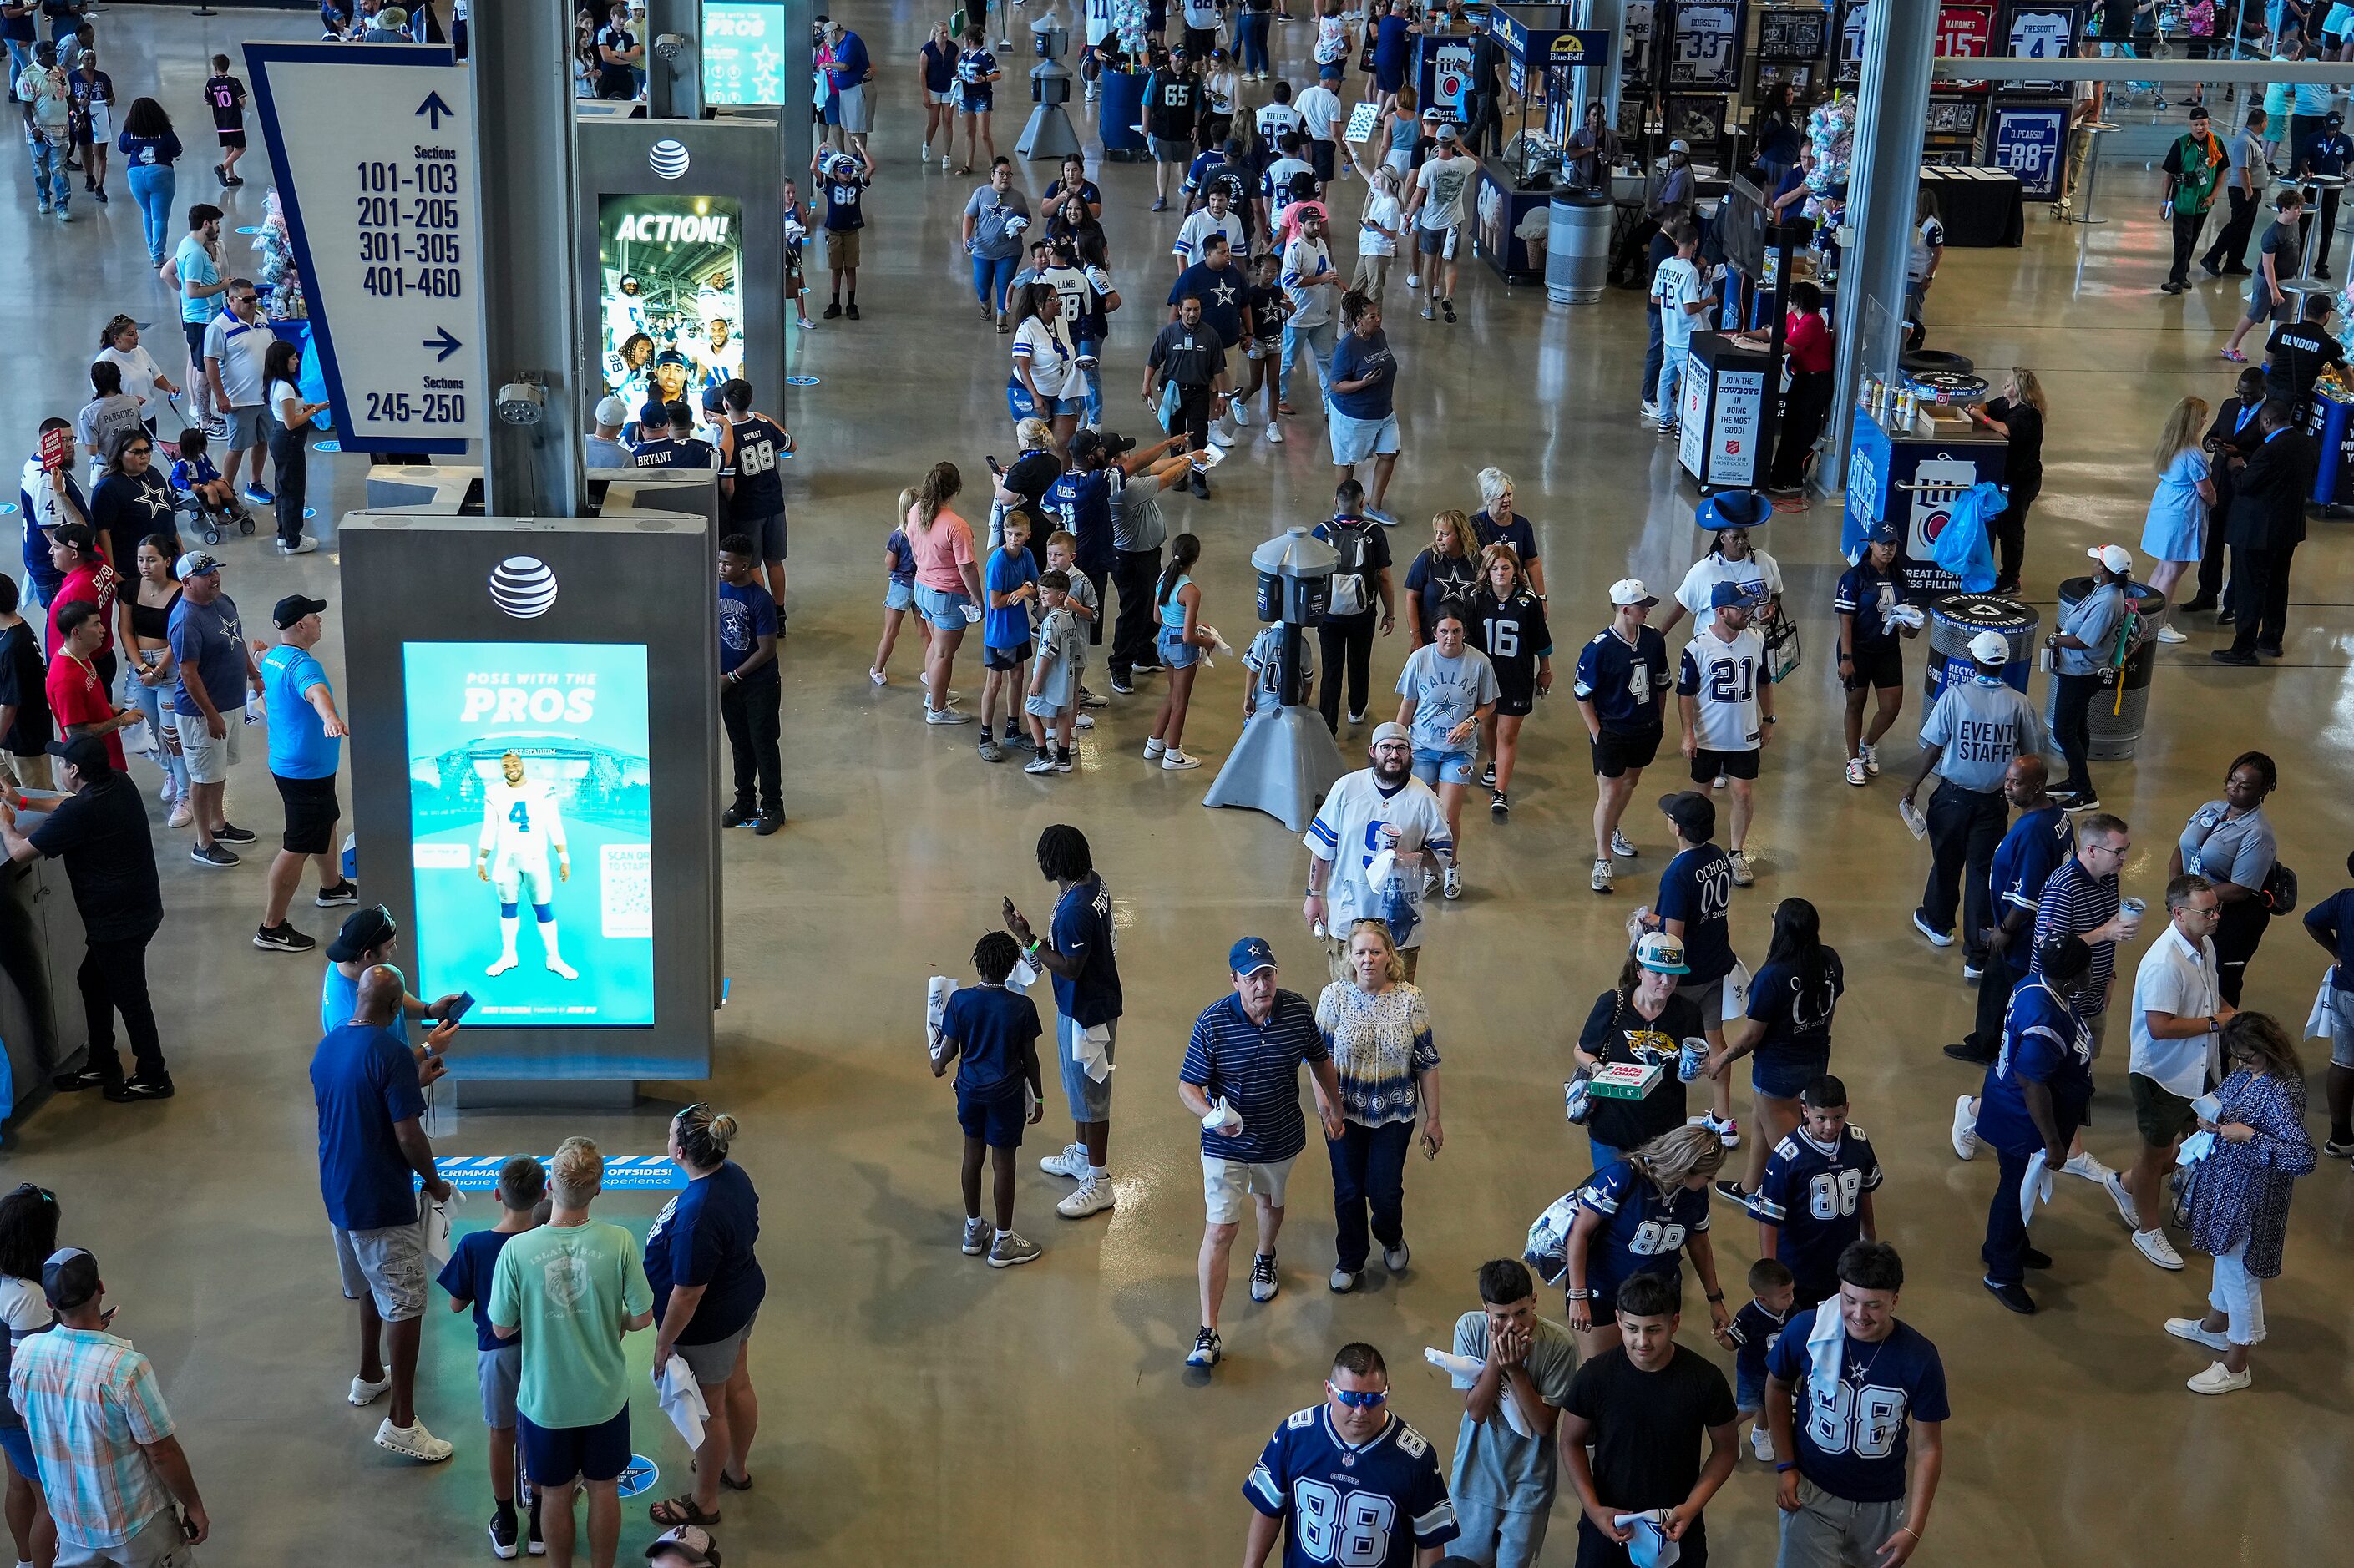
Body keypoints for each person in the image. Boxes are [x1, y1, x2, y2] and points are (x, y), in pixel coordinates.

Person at [312, 964, 460, 1460]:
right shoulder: (392, 1053)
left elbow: (358, 1105)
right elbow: (407, 1135)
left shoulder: (328, 1046)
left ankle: (369, 1374)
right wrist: (436, 1183)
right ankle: (402, 1422)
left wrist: (407, 1080)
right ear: (397, 1008)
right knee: (406, 1301)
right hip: (380, 1199)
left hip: (339, 1192)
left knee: (369, 1290)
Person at [1178, 936, 1344, 1370]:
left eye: (1267, 975)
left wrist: (1335, 1107)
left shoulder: (1297, 1013)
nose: (1261, 986)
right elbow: (1188, 1087)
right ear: (1234, 980)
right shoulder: (1212, 1022)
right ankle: (1208, 1333)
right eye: (1251, 978)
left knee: (1270, 1202)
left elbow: (1320, 1060)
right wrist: (1212, 1117)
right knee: (1219, 1231)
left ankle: (1265, 1256)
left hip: (1279, 1137)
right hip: (1225, 1143)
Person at [489, 1137, 654, 1568]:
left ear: (548, 1187)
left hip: (546, 1402)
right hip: (604, 1397)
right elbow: (642, 1317)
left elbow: (501, 1325)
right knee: (604, 1489)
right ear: (598, 1189)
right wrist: (610, 1319)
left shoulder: (516, 1250)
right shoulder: (619, 1242)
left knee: (557, 1494)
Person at [9, 1247, 210, 1565]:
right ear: (100, 1289)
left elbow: (27, 1421)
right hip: (136, 1524)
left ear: (50, 1304)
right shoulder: (126, 1368)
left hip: (71, 1523)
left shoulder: (27, 1354)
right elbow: (161, 1452)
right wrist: (194, 1505)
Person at [0, 734, 168, 1100]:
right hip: (139, 909)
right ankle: (102, 1061)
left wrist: (6, 823)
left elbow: (18, 853)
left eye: (62, 763)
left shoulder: (83, 811)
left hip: (118, 922)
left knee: (131, 997)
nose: (60, 767)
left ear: (74, 770)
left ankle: (154, 1075)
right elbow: (67, 802)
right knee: (92, 981)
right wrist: (21, 799)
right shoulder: (119, 783)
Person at [1764, 1241, 1946, 1568]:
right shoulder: (1807, 1329)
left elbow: (1928, 1449)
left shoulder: (1920, 1359)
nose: (1859, 1315)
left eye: (1873, 1305)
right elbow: (1777, 1386)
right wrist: (1786, 1466)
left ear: (1895, 1300)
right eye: (1849, 1300)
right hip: (1812, 1490)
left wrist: (1913, 1528)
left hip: (1881, 1502)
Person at [2168, 1011, 2316, 1393]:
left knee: (2240, 1274)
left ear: (2267, 1050)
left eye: (2247, 1057)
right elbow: (2227, 1097)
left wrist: (2249, 1136)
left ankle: (2237, 1365)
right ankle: (2216, 1325)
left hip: (2253, 1196)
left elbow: (2302, 1157)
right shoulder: (2248, 1073)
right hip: (2227, 1185)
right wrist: (2211, 1122)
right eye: (2236, 1057)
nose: (2240, 1064)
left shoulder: (2280, 1092)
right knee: (2224, 1258)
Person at [1557, 1269, 1739, 1568]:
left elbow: (1727, 1448)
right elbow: (1570, 1442)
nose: (1642, 1341)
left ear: (1674, 1323)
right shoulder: (1594, 1376)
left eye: (1654, 1329)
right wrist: (1593, 1509)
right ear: (1617, 1320)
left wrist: (1691, 1508)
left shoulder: (1705, 1380)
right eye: (1631, 1328)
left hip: (1677, 1525)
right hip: (1608, 1523)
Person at [644, 1106, 767, 1532]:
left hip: (709, 1325)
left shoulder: (698, 1212)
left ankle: (705, 1501)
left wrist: (662, 1343)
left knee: (710, 1411)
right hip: (743, 1298)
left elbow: (688, 1292)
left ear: (679, 1151)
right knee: (738, 1384)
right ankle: (736, 1469)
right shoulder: (733, 1174)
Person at [1901, 628, 2046, 972]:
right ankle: (1977, 956)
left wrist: (1913, 783)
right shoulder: (2019, 703)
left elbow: (1934, 745)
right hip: (1993, 802)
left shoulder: (1954, 696)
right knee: (1983, 873)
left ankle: (1937, 923)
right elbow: (2030, 756)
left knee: (1947, 861)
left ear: (1975, 660)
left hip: (1952, 798)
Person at [1973, 933, 2104, 1313]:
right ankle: (2001, 1272)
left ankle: (2007, 1244)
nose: (2092, 973)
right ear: (2071, 978)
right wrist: (2054, 1142)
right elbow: (2032, 1084)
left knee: (2015, 1188)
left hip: (2020, 1110)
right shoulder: (2044, 1019)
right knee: (2015, 1191)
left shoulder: (2034, 983)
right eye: (2087, 968)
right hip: (2022, 1120)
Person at [1245, 1342, 1460, 1566]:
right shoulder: (1295, 1436)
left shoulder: (1416, 1458)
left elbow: (1431, 1539)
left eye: (1372, 1399)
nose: (1360, 1411)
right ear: (1329, 1390)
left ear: (1387, 1393)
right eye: (1350, 1398)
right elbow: (1268, 1507)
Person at [1004, 823, 1125, 1222]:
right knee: (1078, 1090)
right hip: (1078, 1006)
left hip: (1089, 1016)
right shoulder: (1090, 883)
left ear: (1054, 863)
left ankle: (1099, 1180)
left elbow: (1070, 968)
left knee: (1093, 1096)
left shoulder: (1075, 910)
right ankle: (1082, 1154)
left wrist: (1030, 939)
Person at [1315, 918, 1441, 1293]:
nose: (1368, 959)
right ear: (1349, 958)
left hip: (1395, 1114)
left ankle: (1390, 1236)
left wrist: (1433, 1119)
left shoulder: (1410, 998)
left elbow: (1427, 1062)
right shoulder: (1333, 997)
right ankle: (1350, 1258)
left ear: (1390, 956)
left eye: (1376, 951)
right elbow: (1317, 1062)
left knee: (1384, 1190)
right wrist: (1328, 1112)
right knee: (1349, 1189)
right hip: (1345, 1113)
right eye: (1360, 952)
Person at [1536, 1125, 1731, 1360]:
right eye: (1708, 1176)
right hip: (1603, 1292)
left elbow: (1699, 1244)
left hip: (1658, 1296)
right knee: (1603, 1368)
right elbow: (1579, 1233)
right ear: (1685, 1168)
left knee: (1647, 1368)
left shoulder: (1695, 1193)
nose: (1712, 1180)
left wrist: (1715, 1300)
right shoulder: (1623, 1177)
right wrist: (1578, 1296)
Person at [437, 1154, 547, 1560]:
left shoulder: (475, 1245)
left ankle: (506, 1524)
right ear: (544, 1195)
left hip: (497, 1356)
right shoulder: (547, 1242)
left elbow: (454, 1304)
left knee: (501, 1436)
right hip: (543, 1356)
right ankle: (539, 1523)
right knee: (539, 1433)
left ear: (497, 1194)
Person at [2123, 874, 2229, 1275]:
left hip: (2201, 1067)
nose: (2216, 916)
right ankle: (2147, 1229)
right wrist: (2218, 1023)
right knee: (2156, 1155)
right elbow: (2160, 1028)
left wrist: (2230, 1016)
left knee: (2197, 1143)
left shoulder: (2204, 945)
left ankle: (2126, 1184)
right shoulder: (2165, 963)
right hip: (2163, 1076)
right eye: (2207, 911)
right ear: (2179, 913)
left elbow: (2209, 991)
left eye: (2217, 908)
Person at [1443, 1260, 1577, 1568]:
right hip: (1474, 1480)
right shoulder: (1469, 1328)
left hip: (1528, 1487)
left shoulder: (1559, 1345)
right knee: (1465, 1563)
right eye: (1501, 1317)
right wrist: (1495, 1358)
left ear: (1534, 1300)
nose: (1513, 1325)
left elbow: (1544, 1424)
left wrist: (1516, 1370)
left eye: (1521, 1313)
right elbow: (1476, 1412)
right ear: (1486, 1310)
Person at [1713, 900, 1846, 1205]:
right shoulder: (1829, 960)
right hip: (1815, 1057)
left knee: (1789, 1151)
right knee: (1761, 1117)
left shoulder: (1772, 976)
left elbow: (1751, 1037)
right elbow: (1831, 1010)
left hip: (1777, 1070)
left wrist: (1720, 1059)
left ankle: (1811, 1204)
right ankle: (1750, 1187)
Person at [934, 929, 1049, 1270]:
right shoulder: (1022, 1007)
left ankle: (972, 1230)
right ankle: (1004, 1241)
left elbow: (950, 1051)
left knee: (972, 1155)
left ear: (978, 963)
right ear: (1012, 966)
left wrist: (938, 1064)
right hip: (1006, 1095)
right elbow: (1030, 1058)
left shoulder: (960, 1001)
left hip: (969, 1092)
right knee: (1004, 1163)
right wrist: (1039, 1098)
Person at [1304, 723, 1452, 984]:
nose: (1394, 755)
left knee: (1397, 997)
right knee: (1345, 992)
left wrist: (1413, 858)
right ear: (1373, 751)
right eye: (1386, 747)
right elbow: (1322, 848)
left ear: (1410, 753)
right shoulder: (1346, 789)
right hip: (1349, 908)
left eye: (1401, 748)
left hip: (1399, 915)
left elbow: (1443, 854)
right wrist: (1313, 895)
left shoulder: (1425, 799)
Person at [253, 594, 352, 953]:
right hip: (304, 773)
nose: (320, 621)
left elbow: (261, 658)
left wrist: (257, 652)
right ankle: (272, 927)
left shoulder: (275, 657)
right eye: (315, 616)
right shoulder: (302, 667)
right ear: (300, 626)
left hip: (296, 765)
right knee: (296, 846)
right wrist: (330, 718)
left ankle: (332, 887)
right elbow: (317, 694)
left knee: (327, 820)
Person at [1651, 790, 1744, 1146]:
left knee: (1663, 1043)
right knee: (1715, 1040)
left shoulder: (1677, 874)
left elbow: (1673, 939)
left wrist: (1661, 980)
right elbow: (1699, 915)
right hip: (1716, 965)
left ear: (1677, 828)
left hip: (1687, 975)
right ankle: (1723, 1119)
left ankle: (1664, 1118)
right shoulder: (1718, 857)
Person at [1746, 1074, 1881, 1315]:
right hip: (1800, 1265)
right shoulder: (1788, 1155)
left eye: (1838, 1117)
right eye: (1821, 1118)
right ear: (1805, 1111)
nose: (1830, 1127)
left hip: (1844, 1259)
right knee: (1800, 1321)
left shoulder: (1858, 1142)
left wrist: (1869, 1241)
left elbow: (1865, 1192)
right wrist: (1772, 1272)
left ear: (1847, 1109)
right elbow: (1768, 1217)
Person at [1572, 931, 1704, 1172]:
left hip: (1664, 1135)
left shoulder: (1688, 1013)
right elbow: (1581, 1050)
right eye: (1656, 973)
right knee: (1611, 1200)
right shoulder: (1613, 1004)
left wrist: (1700, 1068)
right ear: (1639, 971)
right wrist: (1597, 1068)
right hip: (1612, 1129)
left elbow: (1690, 1066)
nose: (1666, 981)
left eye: (1673, 974)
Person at [1392, 600, 1496, 897]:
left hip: (1458, 752)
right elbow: (1408, 703)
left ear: (1464, 632)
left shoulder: (1479, 663)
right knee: (1423, 814)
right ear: (1434, 633)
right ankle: (1428, 869)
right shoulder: (1419, 661)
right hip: (1422, 747)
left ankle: (1450, 865)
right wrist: (1398, 742)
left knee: (1448, 816)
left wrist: (1472, 722)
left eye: (1456, 631)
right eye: (1444, 631)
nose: (1451, 637)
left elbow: (1489, 703)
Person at [1575, 579, 1673, 894]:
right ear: (1626, 610)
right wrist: (1598, 734)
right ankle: (1603, 858)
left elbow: (1661, 683)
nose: (1648, 610)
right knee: (1609, 791)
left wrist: (1658, 720)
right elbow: (1582, 695)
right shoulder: (1598, 649)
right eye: (1643, 606)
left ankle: (1612, 829)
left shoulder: (1654, 640)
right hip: (1612, 732)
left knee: (1630, 783)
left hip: (1643, 729)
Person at [166, 550, 261, 869]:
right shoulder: (185, 620)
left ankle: (219, 823)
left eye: (214, 571)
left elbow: (238, 640)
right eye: (205, 574)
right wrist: (210, 714)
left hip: (230, 703)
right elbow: (188, 675)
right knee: (202, 777)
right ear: (186, 581)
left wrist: (254, 675)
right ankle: (203, 842)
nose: (214, 577)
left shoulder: (223, 601)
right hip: (201, 714)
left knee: (218, 770)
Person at [1675, 584, 1773, 887]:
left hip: (1743, 737)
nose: (1747, 613)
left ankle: (1735, 853)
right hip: (1707, 739)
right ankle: (1690, 850)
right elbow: (1686, 695)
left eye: (1747, 608)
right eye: (1740, 608)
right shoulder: (1697, 649)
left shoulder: (1757, 640)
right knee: (1699, 799)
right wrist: (1688, 733)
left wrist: (1768, 719)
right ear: (1720, 612)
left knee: (1743, 794)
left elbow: (1764, 683)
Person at [2214, 397, 2317, 664]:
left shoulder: (2268, 451)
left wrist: (2236, 466)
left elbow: (2246, 484)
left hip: (2257, 534)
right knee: (2277, 585)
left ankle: (2244, 648)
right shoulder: (2308, 445)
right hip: (2288, 530)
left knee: (2251, 589)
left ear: (2268, 421)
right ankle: (2272, 639)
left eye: (2261, 423)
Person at [2043, 544, 2134, 810]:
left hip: (2081, 672)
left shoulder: (2108, 601)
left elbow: (2085, 641)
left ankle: (2085, 791)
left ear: (2104, 570)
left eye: (2097, 562)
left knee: (2063, 730)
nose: (2093, 564)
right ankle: (2075, 780)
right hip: (2079, 670)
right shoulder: (2105, 590)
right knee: (2077, 726)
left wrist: (2055, 639)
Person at [1832, 524, 1919, 787]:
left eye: (1892, 544)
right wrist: (1847, 659)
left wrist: (1908, 628)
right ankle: (1853, 759)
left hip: (1887, 650)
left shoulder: (1899, 577)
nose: (1888, 549)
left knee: (1891, 707)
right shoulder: (1854, 577)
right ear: (1871, 544)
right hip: (1857, 650)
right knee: (1856, 704)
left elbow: (1906, 622)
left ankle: (1868, 742)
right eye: (1883, 543)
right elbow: (1845, 621)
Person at [1466, 545, 1549, 817]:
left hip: (1517, 677)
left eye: (1505, 567)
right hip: (1486, 678)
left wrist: (1545, 670)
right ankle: (1493, 761)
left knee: (1507, 734)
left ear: (1515, 570)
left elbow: (1541, 642)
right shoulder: (1478, 599)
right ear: (1487, 572)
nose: (1500, 573)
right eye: (1494, 568)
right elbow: (1470, 643)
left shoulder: (1528, 602)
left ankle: (1500, 792)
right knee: (1488, 725)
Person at [1312, 481, 1395, 730]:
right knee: (1360, 664)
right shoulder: (1374, 532)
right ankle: (1357, 710)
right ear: (1362, 502)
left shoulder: (1321, 531)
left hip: (1328, 616)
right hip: (1363, 615)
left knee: (1331, 669)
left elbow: (1311, 576)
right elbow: (1385, 577)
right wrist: (1390, 615)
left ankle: (1328, 725)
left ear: (1336, 501)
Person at [906, 463, 982, 726]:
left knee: (935, 647)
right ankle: (938, 710)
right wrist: (977, 598)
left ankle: (933, 695)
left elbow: (913, 545)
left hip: (923, 589)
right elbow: (967, 568)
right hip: (949, 596)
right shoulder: (956, 526)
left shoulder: (916, 511)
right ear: (955, 489)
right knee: (944, 654)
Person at [716, 535, 782, 834]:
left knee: (763, 744)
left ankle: (772, 807)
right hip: (727, 686)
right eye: (720, 561)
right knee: (740, 746)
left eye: (727, 563)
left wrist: (732, 677)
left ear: (745, 565)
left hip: (758, 686)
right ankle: (744, 800)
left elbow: (767, 649)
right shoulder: (715, 591)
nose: (721, 567)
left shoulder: (761, 600)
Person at [1656, 490, 1783, 642]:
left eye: (1745, 536)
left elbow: (1775, 592)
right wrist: (1656, 639)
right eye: (1735, 538)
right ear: (1722, 538)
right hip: (1712, 649)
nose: (1742, 542)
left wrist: (1773, 606)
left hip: (1753, 646)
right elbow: (1680, 607)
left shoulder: (1765, 562)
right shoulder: (1703, 571)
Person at [712, 378, 792, 614]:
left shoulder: (730, 437)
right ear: (751, 401)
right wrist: (766, 419)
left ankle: (761, 614)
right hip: (775, 504)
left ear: (725, 406)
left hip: (747, 510)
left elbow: (728, 485)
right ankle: (779, 613)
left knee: (753, 565)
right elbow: (790, 444)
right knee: (775, 561)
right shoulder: (765, 427)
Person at [2142, 397, 2215, 641]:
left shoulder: (2169, 445)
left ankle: (2145, 617)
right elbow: (2205, 490)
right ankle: (2158, 624)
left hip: (2165, 508)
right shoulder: (2193, 454)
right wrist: (2214, 502)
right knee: (2173, 571)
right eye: (2203, 418)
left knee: (2163, 567)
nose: (2205, 421)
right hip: (2182, 515)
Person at [1142, 294, 1233, 493]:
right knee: (1176, 437)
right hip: (1174, 393)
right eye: (1188, 310)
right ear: (1180, 311)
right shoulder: (1168, 333)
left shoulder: (1210, 336)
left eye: (1196, 310)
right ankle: (1178, 476)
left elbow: (1218, 369)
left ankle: (1199, 479)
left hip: (1199, 393)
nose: (1192, 314)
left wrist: (1222, 396)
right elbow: (1153, 361)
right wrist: (1146, 385)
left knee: (1199, 436)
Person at [1967, 370, 2047, 594]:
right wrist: (1976, 410)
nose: (2004, 386)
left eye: (2010, 384)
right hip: (2006, 479)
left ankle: (2011, 579)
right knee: (2001, 526)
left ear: (2021, 390)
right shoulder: (2006, 403)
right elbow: (1989, 408)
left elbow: (2005, 429)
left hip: (2022, 482)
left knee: (2012, 529)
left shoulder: (2028, 415)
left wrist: (1981, 419)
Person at [1327, 289, 1401, 521]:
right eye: (1372, 316)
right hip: (1354, 416)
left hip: (1383, 411)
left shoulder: (1379, 335)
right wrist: (1363, 383)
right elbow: (1336, 385)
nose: (1378, 319)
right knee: (1348, 464)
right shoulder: (1347, 347)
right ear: (1359, 320)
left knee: (1390, 453)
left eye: (1378, 314)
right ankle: (1343, 511)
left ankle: (1374, 507)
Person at [1145, 533, 1215, 770]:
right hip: (1181, 646)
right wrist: (1207, 643)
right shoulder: (1191, 591)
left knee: (1173, 693)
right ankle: (1173, 754)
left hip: (1164, 640)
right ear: (1196, 558)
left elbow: (1157, 617)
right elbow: (1188, 636)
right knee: (1181, 701)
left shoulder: (1163, 578)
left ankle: (1155, 743)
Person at [1718, 1256, 1795, 1464]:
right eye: (1785, 1296)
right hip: (1752, 1374)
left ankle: (1760, 1432)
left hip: (1777, 1376)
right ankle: (1728, 1435)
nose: (1791, 1299)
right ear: (1763, 1299)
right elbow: (1732, 1344)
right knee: (1747, 1409)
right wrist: (1722, 1338)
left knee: (1768, 1407)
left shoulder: (1791, 1311)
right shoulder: (1748, 1316)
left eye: (1792, 1292)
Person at [2302, 854, 2354, 1156]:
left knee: (2344, 1062)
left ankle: (2341, 1138)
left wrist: (2338, 952)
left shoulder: (2345, 900)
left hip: (2343, 993)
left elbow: (2311, 920)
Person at [43, 599, 132, 775]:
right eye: (96, 624)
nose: (103, 629)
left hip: (106, 751)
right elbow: (76, 733)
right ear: (77, 632)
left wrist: (115, 710)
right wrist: (121, 721)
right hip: (91, 765)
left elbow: (92, 698)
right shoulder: (66, 680)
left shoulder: (81, 655)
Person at [2221, 189, 2306, 363]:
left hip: (2288, 279)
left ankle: (2279, 352)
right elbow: (2268, 264)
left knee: (2284, 317)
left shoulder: (2295, 225)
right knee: (2255, 314)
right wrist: (2274, 290)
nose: (2300, 211)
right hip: (2267, 281)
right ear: (2284, 210)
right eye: (2296, 208)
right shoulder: (2273, 234)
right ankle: (2231, 345)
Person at [1405, 124, 1477, 321]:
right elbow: (1478, 163)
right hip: (1453, 224)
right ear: (1454, 142)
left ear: (1436, 142)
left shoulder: (1429, 167)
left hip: (1430, 224)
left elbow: (1417, 197)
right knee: (1451, 261)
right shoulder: (1463, 165)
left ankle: (1429, 306)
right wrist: (1462, 148)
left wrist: (1408, 217)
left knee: (1429, 261)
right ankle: (1448, 295)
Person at [262, 338, 327, 554]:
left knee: (283, 488)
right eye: (292, 358)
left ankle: (285, 534)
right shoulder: (285, 389)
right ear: (283, 361)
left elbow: (290, 412)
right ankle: (294, 541)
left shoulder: (276, 384)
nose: (297, 361)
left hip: (282, 441)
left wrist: (305, 407)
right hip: (289, 442)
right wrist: (314, 411)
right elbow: (292, 423)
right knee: (293, 491)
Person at [2159, 106, 2226, 295]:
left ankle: (2183, 274)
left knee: (2192, 239)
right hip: (2183, 201)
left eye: (2203, 124)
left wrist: (2212, 196)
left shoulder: (2217, 143)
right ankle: (2176, 281)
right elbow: (2168, 175)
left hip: (2203, 203)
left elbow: (2221, 171)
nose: (2200, 128)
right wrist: (2164, 203)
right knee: (2182, 240)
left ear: (2208, 124)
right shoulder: (2181, 144)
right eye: (2196, 125)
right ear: (2190, 125)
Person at [86, 431, 171, 577]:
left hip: (164, 558)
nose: (144, 456)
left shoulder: (153, 473)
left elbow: (168, 517)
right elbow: (103, 531)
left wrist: (180, 550)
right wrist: (112, 571)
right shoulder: (108, 487)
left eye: (146, 450)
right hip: (132, 565)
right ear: (120, 455)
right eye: (136, 452)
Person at [1649, 225, 1706, 432]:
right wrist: (1709, 300)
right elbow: (1690, 308)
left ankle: (1665, 419)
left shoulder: (1664, 265)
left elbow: (1655, 297)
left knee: (1666, 379)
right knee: (1688, 381)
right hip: (1686, 336)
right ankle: (1682, 423)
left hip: (1669, 334)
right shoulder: (1690, 272)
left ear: (1676, 242)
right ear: (1695, 243)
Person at [961, 159, 1029, 331]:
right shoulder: (980, 193)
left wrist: (1021, 226)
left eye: (1008, 174)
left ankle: (1002, 318)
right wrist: (965, 239)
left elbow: (1027, 218)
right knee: (982, 284)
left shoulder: (1017, 197)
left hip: (1009, 250)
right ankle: (985, 304)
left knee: (1004, 283)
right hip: (982, 250)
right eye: (1001, 174)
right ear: (993, 175)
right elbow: (969, 216)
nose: (1005, 177)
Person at [2200, 106, 2267, 278]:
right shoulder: (2245, 141)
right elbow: (2242, 169)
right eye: (2266, 122)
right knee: (2236, 226)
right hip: (2243, 191)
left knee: (2244, 228)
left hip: (2250, 191)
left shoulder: (2251, 140)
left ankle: (2234, 261)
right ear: (2261, 123)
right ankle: (2212, 258)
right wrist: (2248, 193)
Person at [0, 575, 53, 796]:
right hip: (8, 737)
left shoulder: (15, 646)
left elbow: (10, 705)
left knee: (40, 798)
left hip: (26, 740)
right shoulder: (12, 628)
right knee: (8, 796)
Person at [1402, 510, 1479, 649]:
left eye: (1445, 534)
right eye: (1437, 532)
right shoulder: (1427, 559)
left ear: (1461, 535)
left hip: (1466, 643)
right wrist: (1416, 637)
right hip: (1429, 641)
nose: (1438, 538)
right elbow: (1411, 597)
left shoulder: (1477, 562)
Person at [2262, 293, 2343, 417]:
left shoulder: (2283, 330)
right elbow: (2349, 379)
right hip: (2294, 398)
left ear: (2305, 310)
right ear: (2327, 315)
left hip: (2269, 388)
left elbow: (2268, 358)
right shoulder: (2330, 343)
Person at [17, 40, 71, 220]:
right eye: (50, 55)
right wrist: (33, 129)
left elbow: (68, 97)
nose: (55, 58)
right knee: (42, 169)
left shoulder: (61, 71)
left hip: (61, 129)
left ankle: (63, 205)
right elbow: (25, 107)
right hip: (39, 132)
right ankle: (44, 199)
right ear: (40, 57)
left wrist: (76, 114)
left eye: (55, 54)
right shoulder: (28, 75)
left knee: (59, 168)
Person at [1143, 45, 1202, 210]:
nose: (1182, 59)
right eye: (1178, 56)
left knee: (1185, 161)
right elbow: (1147, 102)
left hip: (1185, 127)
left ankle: (1187, 190)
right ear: (1171, 57)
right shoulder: (1159, 75)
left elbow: (1198, 104)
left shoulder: (1193, 79)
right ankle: (1162, 197)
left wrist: (1197, 125)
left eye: (1184, 56)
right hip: (1162, 127)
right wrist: (1146, 124)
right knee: (1163, 161)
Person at [820, 20, 873, 156]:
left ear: (832, 33)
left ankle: (861, 158)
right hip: (845, 90)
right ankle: (855, 156)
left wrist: (827, 64)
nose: (826, 41)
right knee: (849, 127)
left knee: (857, 128)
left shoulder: (851, 41)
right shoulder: (839, 44)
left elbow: (845, 66)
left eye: (826, 37)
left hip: (856, 89)